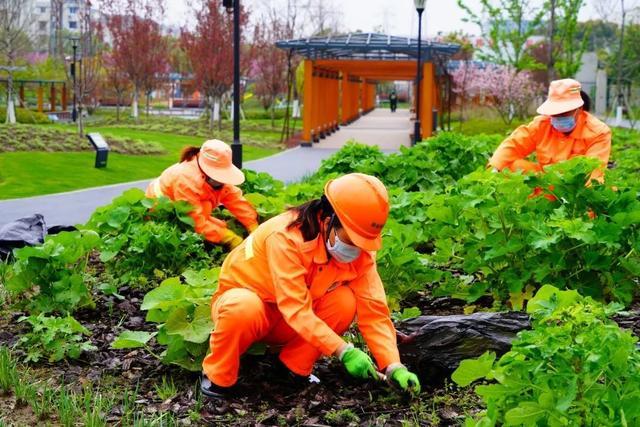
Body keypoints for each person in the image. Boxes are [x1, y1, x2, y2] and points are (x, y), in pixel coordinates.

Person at [200, 173, 421, 398]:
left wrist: (393, 366)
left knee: (344, 302)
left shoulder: (360, 251)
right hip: (250, 314)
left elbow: (374, 312)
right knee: (243, 306)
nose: (357, 248)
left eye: (362, 241)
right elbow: (295, 308)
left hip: (291, 321)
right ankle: (218, 376)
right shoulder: (284, 237)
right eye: (352, 239)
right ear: (329, 219)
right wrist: (344, 351)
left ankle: (292, 369)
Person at [489, 79, 611, 182]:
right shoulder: (541, 125)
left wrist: (578, 207)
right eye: (555, 112)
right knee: (509, 165)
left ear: (579, 109)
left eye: (564, 112)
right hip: (547, 185)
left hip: (576, 189)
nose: (559, 116)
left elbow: (594, 173)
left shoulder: (598, 132)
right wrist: (494, 168)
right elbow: (514, 144)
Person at [145, 139, 258, 249]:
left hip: (181, 203)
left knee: (209, 212)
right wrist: (228, 237)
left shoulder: (208, 172)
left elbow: (233, 198)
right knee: (205, 211)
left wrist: (253, 226)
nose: (222, 180)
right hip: (159, 210)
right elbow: (195, 221)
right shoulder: (187, 180)